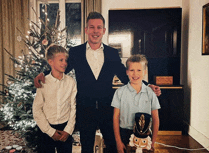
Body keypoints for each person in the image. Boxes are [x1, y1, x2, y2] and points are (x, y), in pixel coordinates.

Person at [34, 12, 161, 153]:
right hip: (85, 110)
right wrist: (43, 74)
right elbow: (60, 69)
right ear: (86, 30)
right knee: (86, 148)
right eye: (92, 27)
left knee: (112, 147)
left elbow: (124, 75)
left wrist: (146, 84)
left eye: (99, 27)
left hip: (108, 110)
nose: (95, 31)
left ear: (104, 31)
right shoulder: (76, 52)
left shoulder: (112, 53)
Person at [112, 54, 161, 153]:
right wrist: (118, 142)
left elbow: (156, 118)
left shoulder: (151, 93)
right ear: (127, 72)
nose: (135, 74)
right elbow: (115, 117)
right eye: (132, 70)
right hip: (124, 134)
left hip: (145, 135)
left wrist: (153, 142)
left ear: (145, 72)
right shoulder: (119, 92)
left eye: (139, 70)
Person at [32, 45, 77, 153]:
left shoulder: (71, 82)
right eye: (61, 60)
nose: (65, 63)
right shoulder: (43, 82)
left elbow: (73, 107)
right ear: (51, 62)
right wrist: (50, 131)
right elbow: (37, 109)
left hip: (65, 128)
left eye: (66, 60)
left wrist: (68, 130)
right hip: (46, 129)